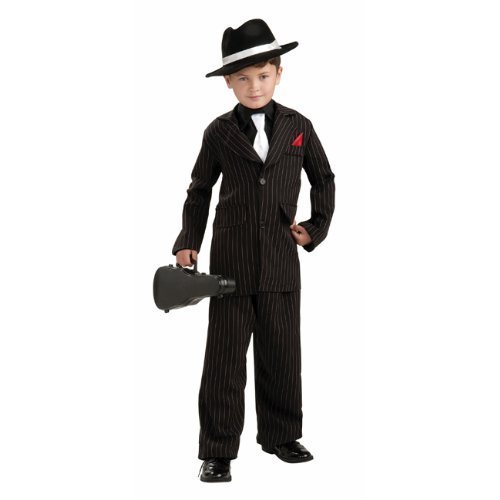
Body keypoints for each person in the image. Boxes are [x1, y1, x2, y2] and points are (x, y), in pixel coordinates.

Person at [172, 18, 336, 482]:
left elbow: (323, 178)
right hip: (231, 263)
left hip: (282, 261)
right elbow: (199, 190)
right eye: (242, 78)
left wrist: (315, 227)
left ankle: (282, 436)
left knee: (282, 355)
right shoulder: (219, 132)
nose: (254, 86)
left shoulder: (299, 126)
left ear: (279, 73)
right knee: (224, 361)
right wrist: (188, 241)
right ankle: (217, 450)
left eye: (263, 75)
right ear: (228, 82)